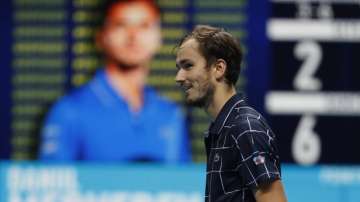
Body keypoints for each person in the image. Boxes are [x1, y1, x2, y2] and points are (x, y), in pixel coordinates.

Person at [38, 0, 190, 162]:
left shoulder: (170, 114)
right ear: (101, 37)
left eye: (144, 26)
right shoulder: (69, 111)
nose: (134, 36)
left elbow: (181, 184)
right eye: (121, 25)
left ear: (159, 37)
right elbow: (52, 183)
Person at [175, 25, 287, 201]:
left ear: (219, 68)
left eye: (188, 66)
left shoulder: (244, 128)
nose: (179, 77)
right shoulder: (224, 129)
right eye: (179, 67)